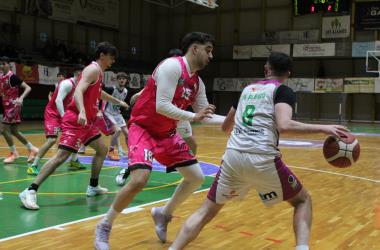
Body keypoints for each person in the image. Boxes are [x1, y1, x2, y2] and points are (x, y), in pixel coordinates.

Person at [169, 52, 349, 250]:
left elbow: (225, 128)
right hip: (262, 158)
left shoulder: (247, 89)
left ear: (266, 69)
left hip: (233, 158)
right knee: (302, 200)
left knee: (205, 212)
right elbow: (284, 125)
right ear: (289, 73)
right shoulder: (283, 91)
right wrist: (324, 128)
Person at [94, 32, 225, 249]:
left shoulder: (197, 82)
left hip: (167, 133)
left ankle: (164, 214)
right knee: (138, 180)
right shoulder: (171, 67)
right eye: (208, 50)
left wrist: (236, 120)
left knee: (195, 177)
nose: (211, 56)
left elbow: (205, 114)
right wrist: (194, 116)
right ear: (195, 48)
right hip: (143, 128)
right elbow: (161, 105)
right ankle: (104, 225)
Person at [18, 42, 129, 210]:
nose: (113, 61)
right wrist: (83, 111)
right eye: (111, 57)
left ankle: (93, 186)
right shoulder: (92, 69)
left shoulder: (99, 73)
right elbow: (78, 91)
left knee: (101, 150)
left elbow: (97, 93)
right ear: (102, 55)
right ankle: (30, 190)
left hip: (87, 123)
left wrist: (117, 101)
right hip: (76, 120)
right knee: (61, 157)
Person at [114, 48, 197, 186]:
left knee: (192, 143)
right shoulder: (166, 72)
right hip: (161, 117)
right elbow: (139, 96)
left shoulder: (188, 76)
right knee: (148, 150)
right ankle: (128, 169)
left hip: (178, 116)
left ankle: (180, 168)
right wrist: (139, 96)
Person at [27, 65, 85, 176]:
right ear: (78, 74)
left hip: (64, 113)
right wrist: (64, 117)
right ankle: (33, 166)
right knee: (52, 140)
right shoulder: (67, 84)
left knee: (75, 134)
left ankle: (74, 161)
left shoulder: (79, 85)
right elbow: (58, 100)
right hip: (53, 114)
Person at [0, 56, 39, 164]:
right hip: (6, 106)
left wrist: (21, 98)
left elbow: (28, 88)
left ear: (9, 65)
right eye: (0, 64)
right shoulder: (1, 77)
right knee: (14, 131)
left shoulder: (12, 77)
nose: (1, 66)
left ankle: (14, 153)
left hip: (13, 106)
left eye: (4, 63)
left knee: (3, 130)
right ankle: (32, 149)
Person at [104, 72, 129, 161]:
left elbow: (120, 103)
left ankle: (131, 153)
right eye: (120, 78)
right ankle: (111, 150)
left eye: (124, 78)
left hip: (117, 114)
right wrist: (99, 110)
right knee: (118, 130)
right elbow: (101, 97)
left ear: (126, 80)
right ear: (117, 80)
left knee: (127, 134)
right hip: (108, 113)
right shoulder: (111, 89)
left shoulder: (126, 91)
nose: (122, 80)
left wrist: (124, 108)